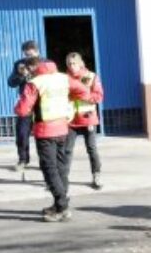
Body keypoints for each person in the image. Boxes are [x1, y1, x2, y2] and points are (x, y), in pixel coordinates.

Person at [14, 56, 89, 222]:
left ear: (34, 68)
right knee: (60, 168)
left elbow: (22, 110)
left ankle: (62, 207)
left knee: (50, 169)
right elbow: (84, 91)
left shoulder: (35, 83)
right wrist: (67, 99)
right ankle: (58, 203)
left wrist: (18, 106)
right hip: (63, 128)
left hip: (45, 131)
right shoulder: (63, 78)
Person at [62, 53, 106, 190]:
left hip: (88, 119)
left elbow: (99, 97)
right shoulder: (64, 78)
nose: (71, 66)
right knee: (67, 150)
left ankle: (96, 176)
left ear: (80, 63)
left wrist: (83, 95)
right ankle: (63, 180)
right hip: (71, 120)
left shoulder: (90, 76)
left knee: (92, 149)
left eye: (74, 63)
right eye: (69, 63)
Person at [7, 40, 40, 174]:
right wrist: (21, 75)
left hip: (41, 103)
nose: (28, 58)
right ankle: (23, 160)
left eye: (31, 55)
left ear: (37, 52)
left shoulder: (44, 63)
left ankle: (44, 160)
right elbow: (11, 83)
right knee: (22, 133)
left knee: (42, 134)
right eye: (26, 55)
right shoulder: (19, 64)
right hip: (25, 104)